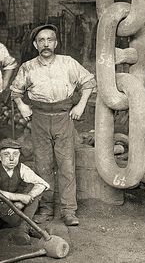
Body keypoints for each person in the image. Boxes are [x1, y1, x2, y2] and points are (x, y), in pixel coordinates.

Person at [10, 24, 96, 226]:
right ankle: (46, 209)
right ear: (35, 44)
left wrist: (81, 105)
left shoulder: (68, 63)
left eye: (50, 40)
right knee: (43, 165)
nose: (46, 44)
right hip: (38, 119)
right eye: (41, 40)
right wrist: (22, 106)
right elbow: (15, 91)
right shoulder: (27, 67)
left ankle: (68, 211)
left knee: (67, 165)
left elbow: (89, 82)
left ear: (56, 43)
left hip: (63, 118)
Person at [0, 138, 49, 244]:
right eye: (7, 154)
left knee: (35, 194)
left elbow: (43, 184)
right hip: (2, 208)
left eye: (16, 154)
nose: (12, 158)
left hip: (15, 209)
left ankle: (23, 229)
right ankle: (28, 228)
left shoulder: (21, 168)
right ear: (0, 157)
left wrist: (26, 198)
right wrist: (19, 197)